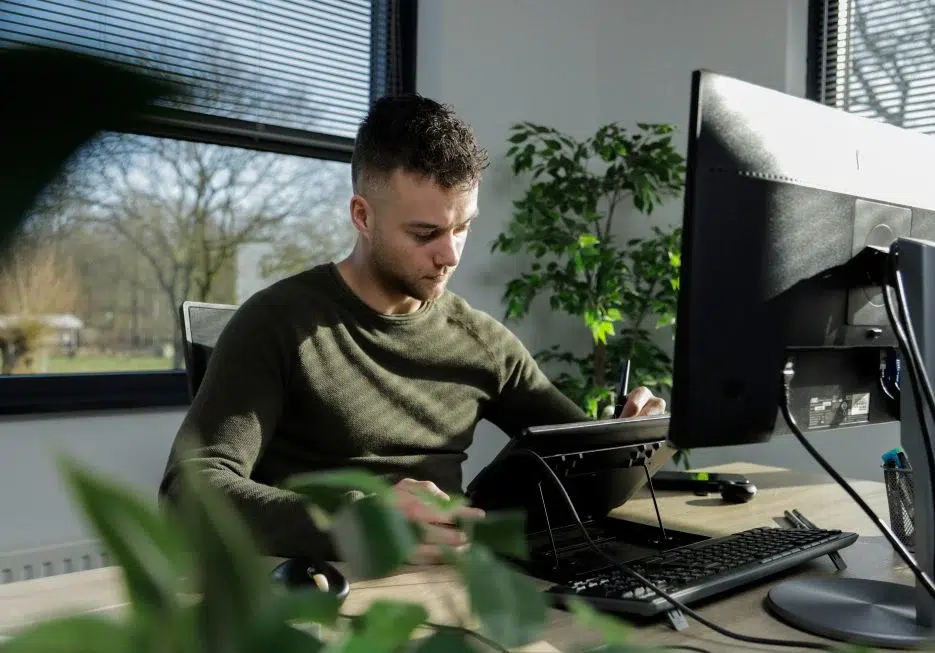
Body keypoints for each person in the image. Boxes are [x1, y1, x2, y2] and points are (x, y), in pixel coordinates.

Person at [158, 94, 666, 564]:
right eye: (425, 234)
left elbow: (576, 463)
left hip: (451, 583)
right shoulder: (277, 323)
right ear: (363, 216)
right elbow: (188, 494)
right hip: (324, 590)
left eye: (463, 226)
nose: (449, 255)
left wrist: (633, 438)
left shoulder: (483, 342)